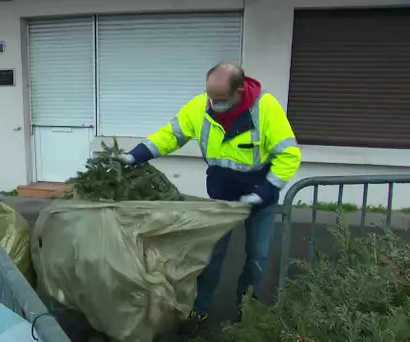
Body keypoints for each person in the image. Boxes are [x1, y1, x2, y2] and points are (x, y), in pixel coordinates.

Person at [117, 63, 301, 339]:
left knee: (257, 258)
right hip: (221, 198)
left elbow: (289, 155)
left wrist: (264, 192)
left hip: (259, 198)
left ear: (239, 91)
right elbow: (171, 135)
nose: (214, 105)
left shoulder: (266, 108)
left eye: (221, 100)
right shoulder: (200, 106)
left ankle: (247, 310)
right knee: (209, 256)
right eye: (211, 98)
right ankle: (199, 310)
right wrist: (136, 155)